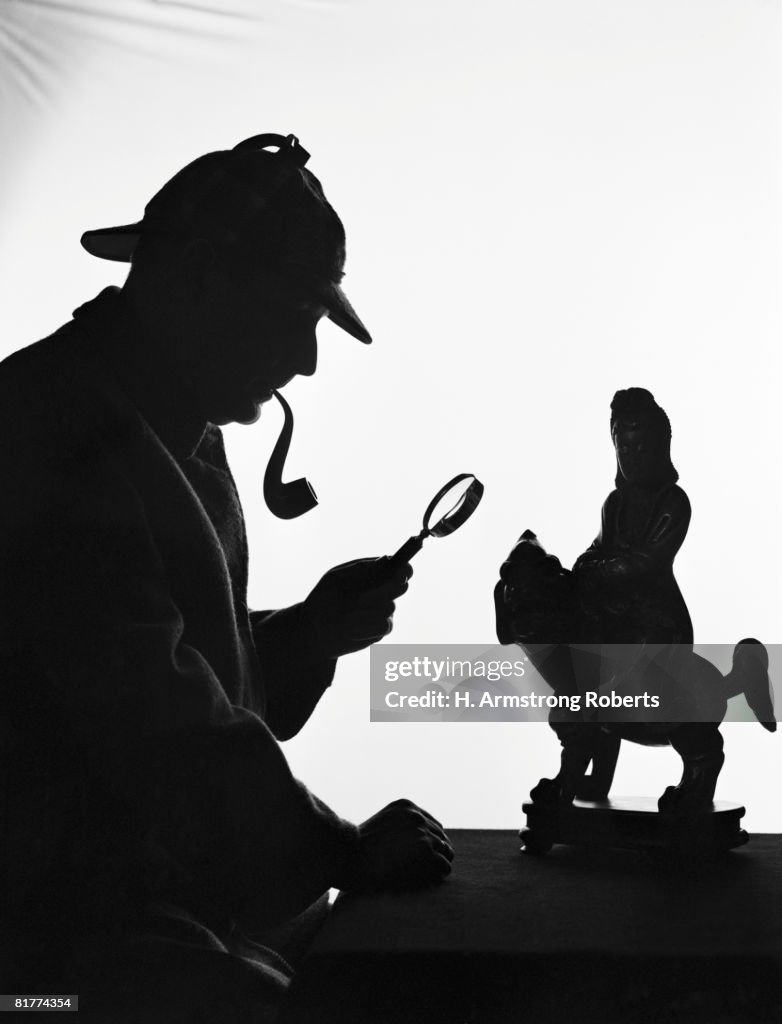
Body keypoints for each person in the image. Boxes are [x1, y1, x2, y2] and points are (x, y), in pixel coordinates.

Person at [0, 133, 452, 1021]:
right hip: (37, 967)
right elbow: (149, 711)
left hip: (130, 910)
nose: (311, 361)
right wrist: (337, 848)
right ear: (202, 281)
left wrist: (310, 633)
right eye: (297, 316)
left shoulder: (174, 427)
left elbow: (189, 660)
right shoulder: (52, 431)